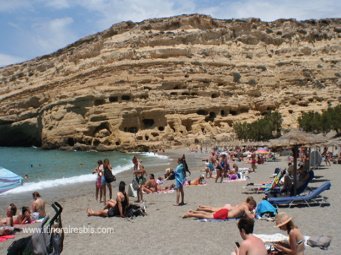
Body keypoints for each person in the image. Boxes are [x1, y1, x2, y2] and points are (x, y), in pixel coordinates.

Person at [183, 197, 257, 220]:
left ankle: (192, 212)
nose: (252, 209)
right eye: (253, 207)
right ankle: (190, 214)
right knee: (207, 216)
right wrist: (253, 214)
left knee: (207, 213)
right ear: (251, 204)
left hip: (225, 211)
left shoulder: (243, 203)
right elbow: (250, 216)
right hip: (225, 214)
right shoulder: (245, 206)